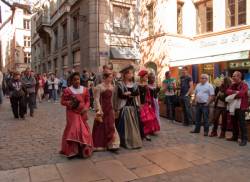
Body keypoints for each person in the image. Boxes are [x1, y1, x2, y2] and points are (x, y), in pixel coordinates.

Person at [60, 72, 93, 158]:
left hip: (82, 112)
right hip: (72, 112)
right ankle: (72, 150)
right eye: (74, 80)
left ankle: (82, 150)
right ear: (71, 81)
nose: (76, 81)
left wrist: (86, 107)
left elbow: (88, 100)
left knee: (83, 130)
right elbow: (62, 101)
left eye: (78, 79)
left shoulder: (85, 89)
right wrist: (69, 103)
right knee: (74, 129)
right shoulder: (67, 90)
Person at [114, 65, 143, 149]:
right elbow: (120, 95)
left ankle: (134, 140)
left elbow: (137, 93)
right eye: (130, 73)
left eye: (132, 73)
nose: (132, 75)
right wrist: (128, 95)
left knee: (134, 125)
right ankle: (124, 141)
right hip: (124, 108)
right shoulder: (120, 84)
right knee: (124, 126)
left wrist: (128, 94)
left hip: (132, 108)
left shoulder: (134, 85)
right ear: (125, 75)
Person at [92, 72, 120, 152]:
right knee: (101, 125)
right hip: (102, 108)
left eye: (112, 77)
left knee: (111, 125)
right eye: (110, 77)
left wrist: (114, 109)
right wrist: (99, 109)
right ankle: (100, 144)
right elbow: (96, 99)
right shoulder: (99, 87)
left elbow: (111, 99)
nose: (111, 79)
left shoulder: (112, 87)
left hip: (109, 108)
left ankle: (112, 144)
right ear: (105, 78)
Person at [226, 71, 248, 146]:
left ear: (239, 77)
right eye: (232, 76)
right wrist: (236, 92)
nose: (233, 77)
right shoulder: (233, 85)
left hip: (241, 106)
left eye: (234, 76)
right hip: (233, 107)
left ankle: (244, 139)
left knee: (242, 123)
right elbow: (227, 91)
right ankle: (235, 137)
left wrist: (234, 93)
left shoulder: (244, 85)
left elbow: (242, 94)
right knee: (234, 122)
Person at [138, 70, 160, 141]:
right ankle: (143, 133)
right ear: (142, 77)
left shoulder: (146, 85)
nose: (147, 78)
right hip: (140, 103)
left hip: (146, 103)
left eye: (147, 77)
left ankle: (148, 132)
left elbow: (148, 95)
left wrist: (149, 102)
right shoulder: (138, 85)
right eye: (146, 77)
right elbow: (138, 95)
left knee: (149, 118)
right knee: (143, 119)